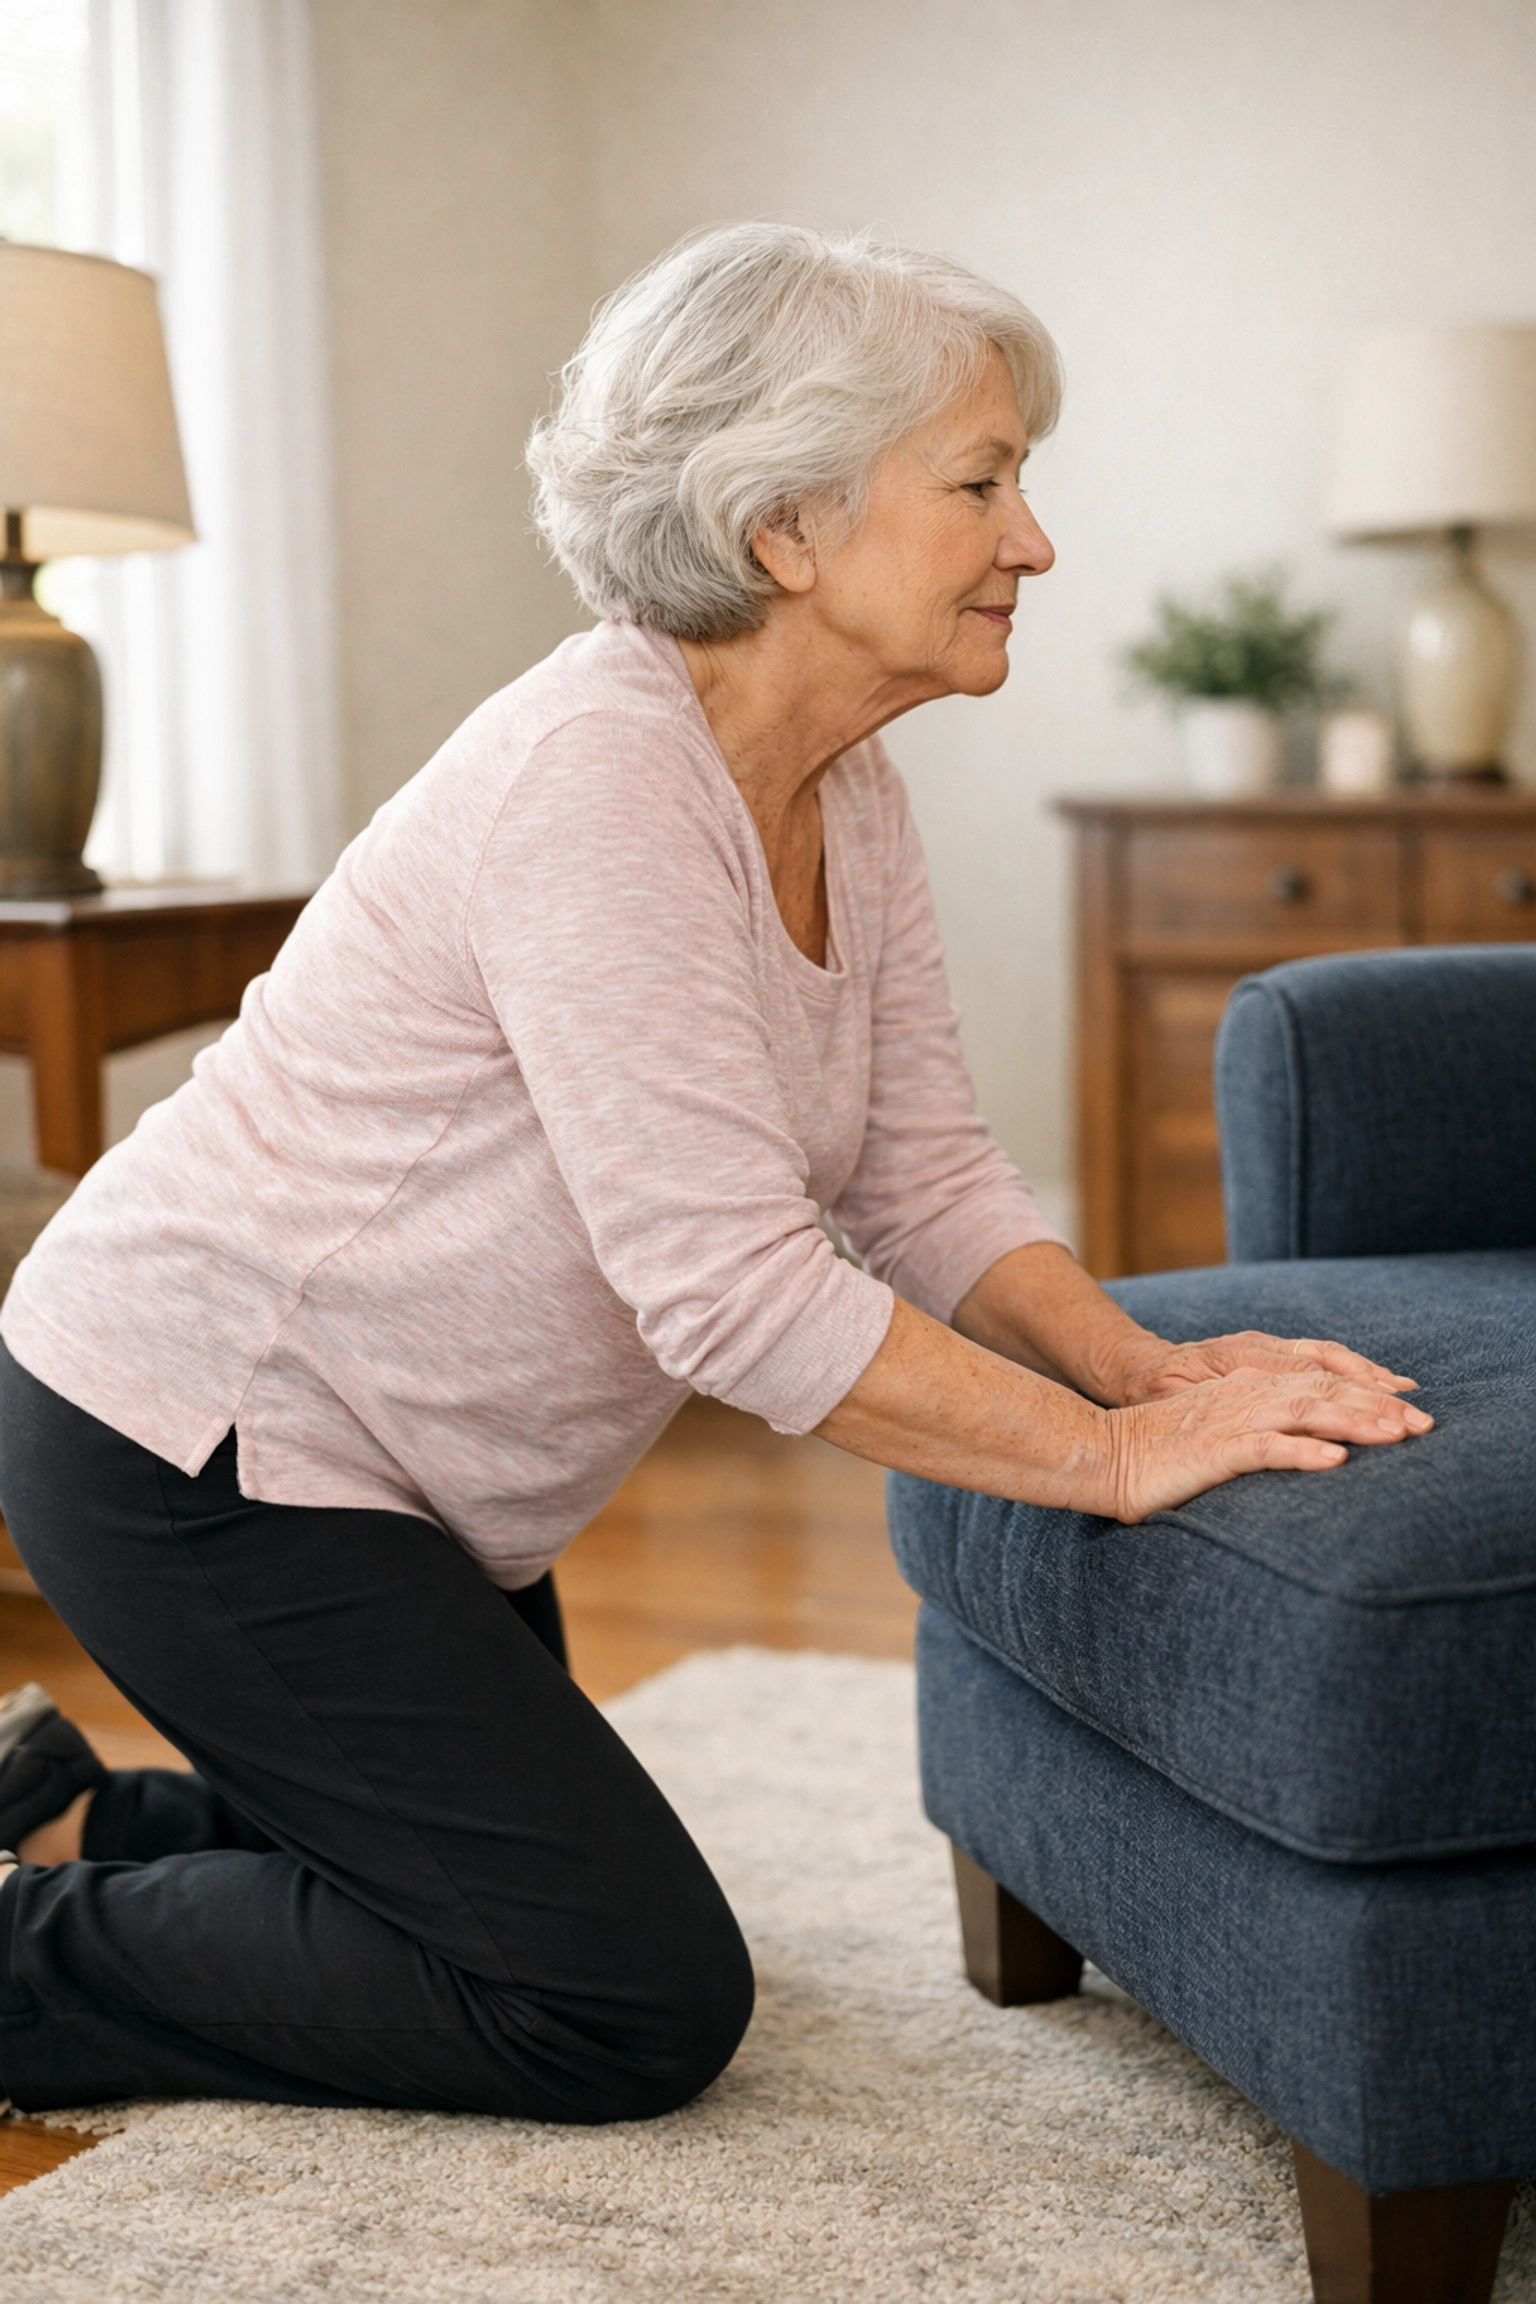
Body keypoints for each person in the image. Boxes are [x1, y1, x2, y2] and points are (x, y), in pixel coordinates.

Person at [0, 224, 1430, 2123]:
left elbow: (923, 1173)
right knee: (615, 1998)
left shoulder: (843, 782)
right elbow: (733, 1289)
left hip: (412, 1485)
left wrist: (1149, 1372)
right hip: (204, 1450)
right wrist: (1101, 1462)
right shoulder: (599, 781)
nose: (1036, 540)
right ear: (785, 530)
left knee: (463, 1898)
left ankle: (77, 1804)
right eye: (983, 483)